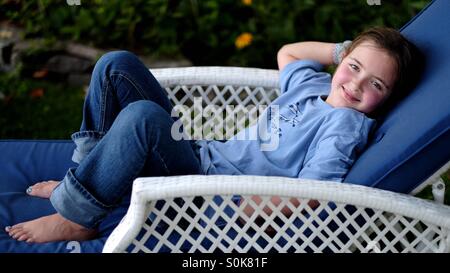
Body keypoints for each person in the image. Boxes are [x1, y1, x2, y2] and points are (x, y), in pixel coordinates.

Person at [5, 27, 421, 243]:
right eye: (354, 68)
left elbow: (315, 188)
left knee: (146, 117)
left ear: (384, 100)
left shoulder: (344, 126)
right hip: (199, 152)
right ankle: (90, 183)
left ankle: (76, 217)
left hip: (204, 187)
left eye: (376, 86)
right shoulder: (313, 86)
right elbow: (289, 54)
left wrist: (253, 209)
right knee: (115, 65)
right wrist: (340, 52)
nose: (356, 85)